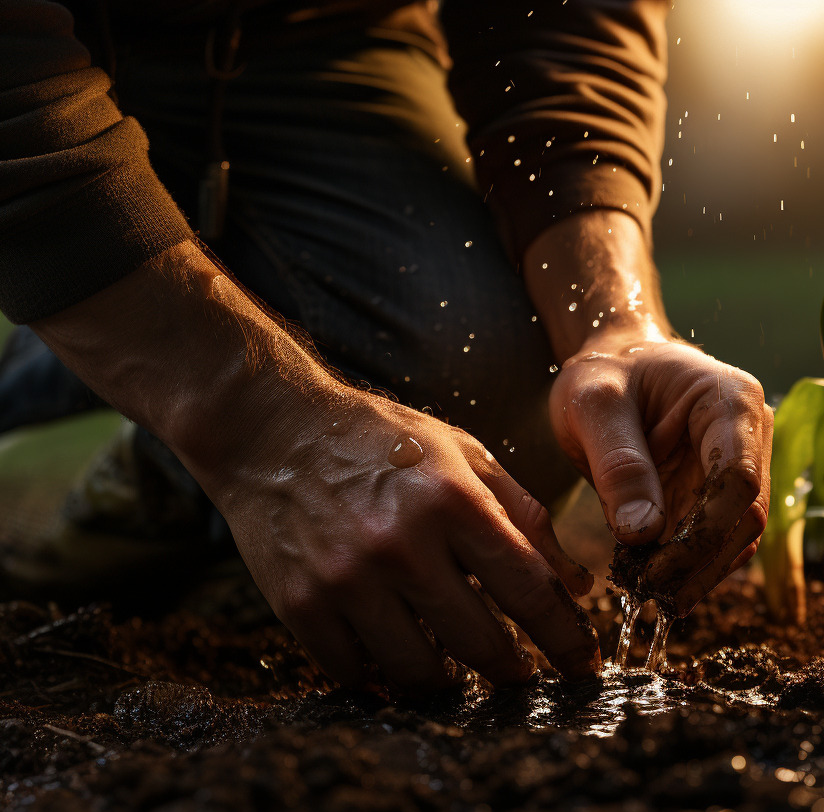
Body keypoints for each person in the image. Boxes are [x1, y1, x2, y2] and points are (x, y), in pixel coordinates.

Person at [0, 0, 773, 693]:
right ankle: (57, 371)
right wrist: (260, 429)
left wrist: (614, 324)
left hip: (327, 42)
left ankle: (160, 469)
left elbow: (565, 21)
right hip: (54, 58)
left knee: (478, 384)